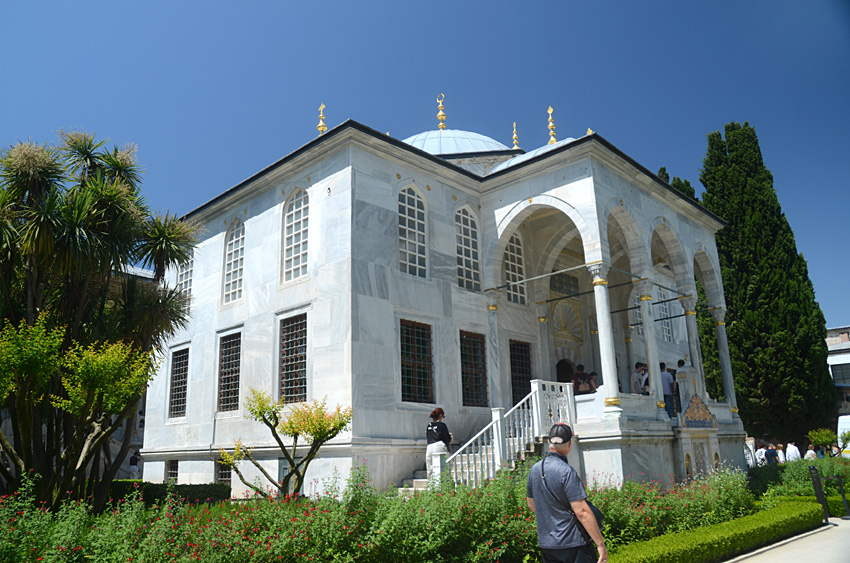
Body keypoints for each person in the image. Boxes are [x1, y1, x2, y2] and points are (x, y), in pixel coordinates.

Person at [527, 424, 607, 563]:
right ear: (570, 444)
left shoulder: (534, 469)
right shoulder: (566, 471)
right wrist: (600, 544)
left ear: (548, 442)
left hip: (548, 545)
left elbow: (532, 506)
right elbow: (582, 511)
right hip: (574, 543)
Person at [426, 407, 452, 480]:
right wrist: (450, 438)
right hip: (439, 446)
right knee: (445, 465)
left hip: (429, 447)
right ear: (440, 415)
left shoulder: (429, 425)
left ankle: (431, 485)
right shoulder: (442, 425)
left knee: (430, 468)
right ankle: (445, 481)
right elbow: (447, 438)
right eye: (443, 416)